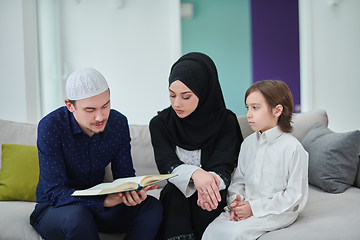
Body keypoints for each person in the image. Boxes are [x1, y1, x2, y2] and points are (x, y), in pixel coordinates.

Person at [30, 68, 163, 240]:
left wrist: (132, 193)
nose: (100, 117)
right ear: (70, 106)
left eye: (105, 106)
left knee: (151, 206)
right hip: (57, 209)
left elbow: (125, 176)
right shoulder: (51, 126)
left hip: (99, 209)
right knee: (78, 216)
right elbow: (55, 192)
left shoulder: (118, 123)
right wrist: (104, 201)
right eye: (90, 110)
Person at [149, 52, 243, 240]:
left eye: (186, 96)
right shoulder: (160, 123)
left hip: (213, 194)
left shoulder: (226, 122)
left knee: (209, 201)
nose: (177, 104)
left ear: (204, 91)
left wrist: (206, 185)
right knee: (175, 194)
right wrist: (195, 174)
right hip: (176, 194)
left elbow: (223, 166)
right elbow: (167, 165)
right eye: (172, 95)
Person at [202, 80, 309, 240]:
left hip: (277, 211)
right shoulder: (248, 144)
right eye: (248, 108)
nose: (248, 114)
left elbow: (295, 196)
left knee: (236, 233)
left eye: (255, 108)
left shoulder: (292, 148)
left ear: (277, 110)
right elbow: (238, 182)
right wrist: (236, 202)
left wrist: (254, 208)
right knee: (212, 230)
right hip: (246, 206)